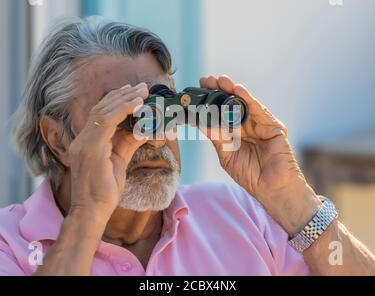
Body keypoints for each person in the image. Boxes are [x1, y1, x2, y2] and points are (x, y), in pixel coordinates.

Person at [1, 17, 374, 275]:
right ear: (58, 138)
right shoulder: (11, 245)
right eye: (122, 115)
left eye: (160, 110)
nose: (152, 135)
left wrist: (291, 197)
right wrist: (87, 214)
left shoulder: (239, 215)